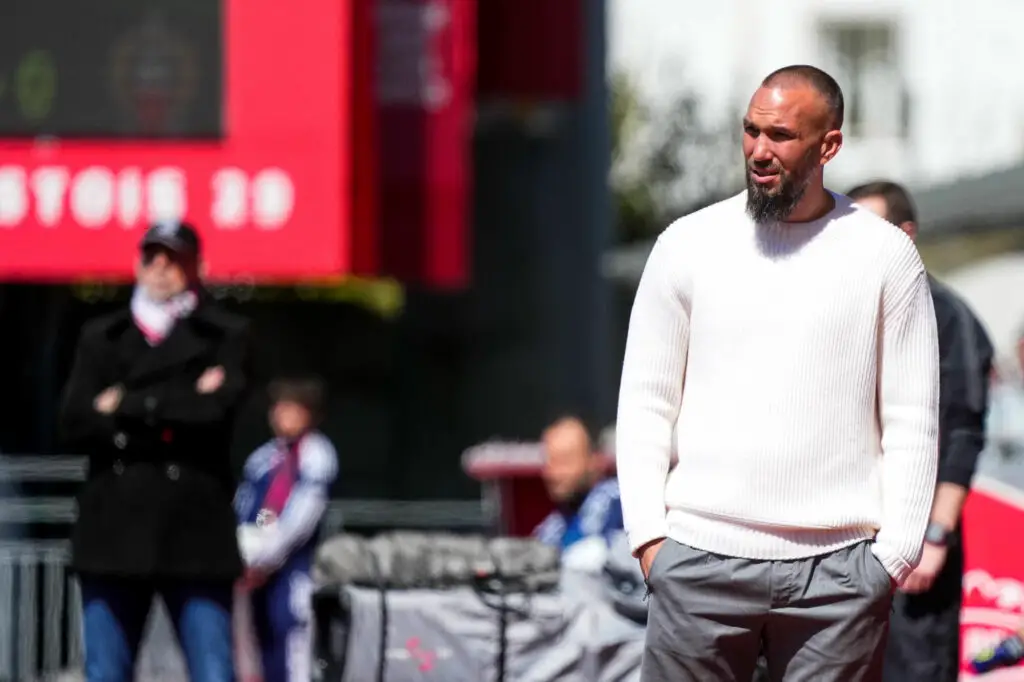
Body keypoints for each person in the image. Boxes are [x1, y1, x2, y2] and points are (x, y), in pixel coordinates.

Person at [616, 64, 940, 682]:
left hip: (840, 576)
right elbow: (645, 403)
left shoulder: (886, 256)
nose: (759, 150)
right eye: (751, 131)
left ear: (829, 145)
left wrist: (894, 556)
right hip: (696, 561)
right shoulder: (686, 245)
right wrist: (650, 541)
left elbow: (912, 418)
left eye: (782, 136)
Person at [60, 220, 251, 682]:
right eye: (152, 257)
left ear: (197, 267)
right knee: (106, 671)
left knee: (213, 669)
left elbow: (216, 416)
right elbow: (74, 422)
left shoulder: (225, 334)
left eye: (174, 259)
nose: (161, 268)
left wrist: (123, 404)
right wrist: (180, 401)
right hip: (113, 532)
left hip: (194, 533)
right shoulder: (102, 336)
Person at [848, 180, 994, 682]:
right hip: (851, 547)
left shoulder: (946, 316)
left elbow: (963, 434)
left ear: (906, 234)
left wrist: (934, 537)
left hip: (916, 548)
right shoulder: (848, 313)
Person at [235, 377, 339, 682]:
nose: (281, 415)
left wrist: (267, 555)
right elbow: (251, 508)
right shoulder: (263, 458)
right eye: (278, 408)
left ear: (309, 413)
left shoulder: (317, 454)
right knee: (257, 649)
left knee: (291, 648)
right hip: (253, 569)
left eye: (291, 408)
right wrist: (248, 549)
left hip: (292, 570)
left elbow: (301, 518)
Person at [533, 417, 623, 568]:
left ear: (594, 461)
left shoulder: (616, 500)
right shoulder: (555, 524)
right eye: (550, 461)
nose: (553, 473)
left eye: (564, 461)